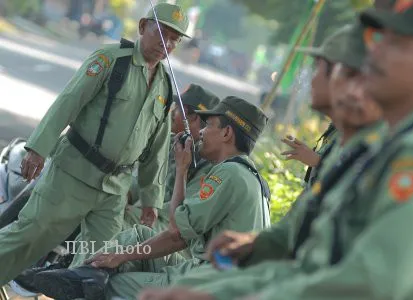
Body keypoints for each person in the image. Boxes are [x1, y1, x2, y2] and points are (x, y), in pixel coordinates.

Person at [140, 0, 413, 297]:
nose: (375, 54)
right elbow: (316, 246)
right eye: (379, 40)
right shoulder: (380, 146)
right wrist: (257, 247)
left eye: (398, 45)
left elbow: (371, 282)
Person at [133, 22, 385, 300]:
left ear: (351, 80)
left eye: (321, 69)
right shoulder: (345, 149)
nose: (311, 79)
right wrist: (249, 245)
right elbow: (291, 237)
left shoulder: (382, 157)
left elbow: (364, 276)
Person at [0, 2, 190, 285]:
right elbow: (68, 101)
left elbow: (157, 149)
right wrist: (38, 148)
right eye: (163, 33)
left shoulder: (164, 85)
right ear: (142, 27)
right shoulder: (111, 60)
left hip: (114, 189)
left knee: (98, 262)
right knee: (30, 235)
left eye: (175, 39)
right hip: (73, 173)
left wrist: (151, 199)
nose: (168, 43)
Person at [33, 96, 272, 300]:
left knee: (112, 287)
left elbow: (177, 233)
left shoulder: (228, 174)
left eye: (208, 126)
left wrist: (181, 170)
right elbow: (182, 229)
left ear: (227, 133)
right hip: (213, 275)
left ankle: (81, 277)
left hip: (211, 283)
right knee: (139, 235)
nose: (200, 133)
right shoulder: (252, 178)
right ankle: (80, 274)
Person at [123, 84, 221, 232]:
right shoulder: (172, 142)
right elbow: (145, 178)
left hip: (167, 226)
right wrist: (126, 195)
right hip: (143, 213)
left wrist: (134, 210)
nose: (172, 111)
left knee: (112, 224)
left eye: (178, 108)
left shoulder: (207, 164)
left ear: (192, 117)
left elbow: (180, 211)